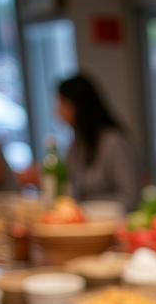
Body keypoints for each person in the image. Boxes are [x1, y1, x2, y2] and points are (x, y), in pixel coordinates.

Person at [56, 74, 140, 211]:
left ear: (79, 105)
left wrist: (87, 208)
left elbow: (130, 198)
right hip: (86, 225)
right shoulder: (77, 144)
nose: (58, 112)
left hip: (113, 225)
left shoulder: (113, 142)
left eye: (63, 104)